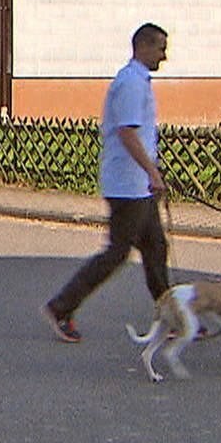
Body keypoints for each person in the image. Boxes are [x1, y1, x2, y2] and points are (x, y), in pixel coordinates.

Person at [42, 22, 171, 342]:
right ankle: (61, 307)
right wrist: (152, 172)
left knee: (156, 248)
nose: (164, 56)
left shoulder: (138, 81)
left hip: (137, 184)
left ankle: (171, 316)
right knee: (116, 253)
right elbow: (127, 133)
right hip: (127, 186)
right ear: (143, 47)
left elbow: (138, 133)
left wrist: (153, 172)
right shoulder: (131, 83)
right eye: (160, 48)